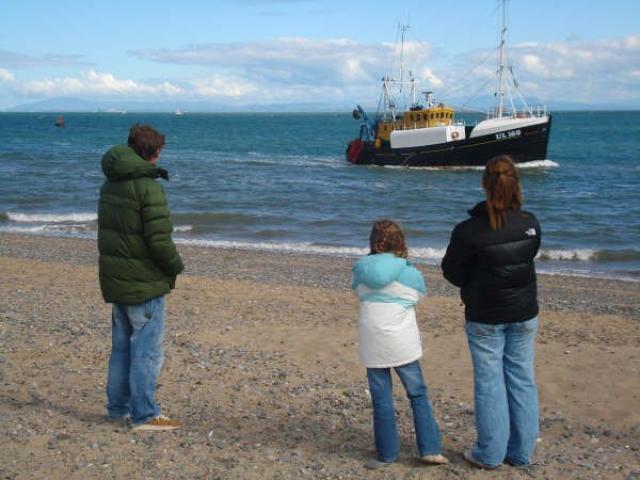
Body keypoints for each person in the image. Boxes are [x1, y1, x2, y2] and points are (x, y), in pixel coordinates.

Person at [441, 155, 541, 469]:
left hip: (486, 314)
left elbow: (452, 271)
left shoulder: (469, 230)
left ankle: (491, 453)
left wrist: (475, 280)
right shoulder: (529, 224)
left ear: (485, 184)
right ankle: (520, 451)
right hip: (522, 311)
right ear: (516, 185)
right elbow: (527, 256)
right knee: (521, 377)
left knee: (490, 381)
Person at [98, 123, 184, 431]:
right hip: (143, 282)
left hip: (116, 279)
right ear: (155, 152)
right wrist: (175, 266)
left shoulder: (110, 183)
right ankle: (144, 415)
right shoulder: (148, 187)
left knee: (121, 348)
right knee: (146, 352)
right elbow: (159, 240)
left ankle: (117, 408)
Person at [352, 220, 449, 469]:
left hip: (372, 340)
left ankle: (387, 454)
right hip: (401, 341)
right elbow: (417, 296)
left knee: (381, 397)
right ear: (400, 242)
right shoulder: (409, 273)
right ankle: (429, 448)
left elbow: (360, 294)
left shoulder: (362, 270)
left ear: (374, 242)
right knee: (417, 393)